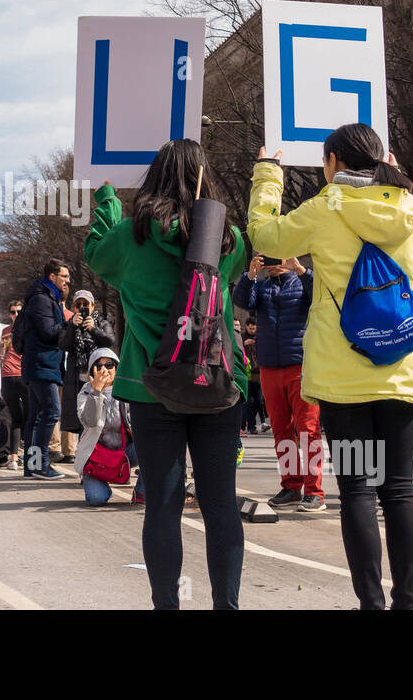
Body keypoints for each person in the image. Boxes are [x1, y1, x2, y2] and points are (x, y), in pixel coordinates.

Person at [250, 126, 413, 610]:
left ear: (332, 162)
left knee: (357, 491)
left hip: (344, 380)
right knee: (400, 491)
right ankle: (407, 604)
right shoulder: (412, 210)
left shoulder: (324, 208)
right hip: (402, 369)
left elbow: (265, 236)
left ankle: (370, 603)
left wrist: (269, 176)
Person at [85, 138, 248, 610]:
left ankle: (166, 605)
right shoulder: (226, 238)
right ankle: (227, 605)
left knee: (162, 504)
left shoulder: (130, 237)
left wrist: (108, 201)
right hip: (218, 383)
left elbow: (95, 253)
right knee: (221, 504)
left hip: (151, 386)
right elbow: (232, 272)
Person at [231, 252, 323, 511]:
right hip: (269, 367)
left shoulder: (301, 281)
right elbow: (240, 300)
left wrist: (302, 270)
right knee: (281, 430)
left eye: (276, 258)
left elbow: (322, 296)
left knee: (308, 429)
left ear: (289, 257)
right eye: (266, 259)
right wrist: (249, 276)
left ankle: (314, 490)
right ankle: (291, 486)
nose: (270, 265)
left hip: (301, 365)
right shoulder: (260, 286)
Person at [74, 348, 144, 506]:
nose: (104, 370)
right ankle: (96, 483)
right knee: (96, 499)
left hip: (126, 452)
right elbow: (90, 421)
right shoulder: (85, 393)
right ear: (92, 370)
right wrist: (97, 393)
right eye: (98, 366)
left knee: (151, 445)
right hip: (98, 456)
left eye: (109, 365)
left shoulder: (127, 389)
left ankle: (141, 491)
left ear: (117, 368)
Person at [20, 259, 70, 479]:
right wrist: (70, 324)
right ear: (53, 277)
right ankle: (41, 465)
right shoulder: (42, 299)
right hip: (42, 363)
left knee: (36, 416)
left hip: (40, 363)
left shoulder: (46, 297)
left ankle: (32, 467)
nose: (68, 280)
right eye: (65, 276)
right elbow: (48, 332)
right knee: (51, 413)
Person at [57, 288, 115, 465]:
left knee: (100, 421)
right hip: (78, 379)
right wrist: (73, 326)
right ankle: (88, 464)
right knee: (84, 421)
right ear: (74, 307)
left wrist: (94, 329)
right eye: (78, 304)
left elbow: (110, 341)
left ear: (92, 305)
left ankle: (104, 460)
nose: (82, 307)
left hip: (100, 379)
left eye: (85, 304)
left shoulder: (102, 322)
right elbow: (64, 345)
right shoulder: (69, 325)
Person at [0, 299, 27, 470]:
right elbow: (0, 356)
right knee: (17, 418)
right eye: (12, 311)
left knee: (23, 417)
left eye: (18, 311)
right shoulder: (5, 331)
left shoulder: (26, 329)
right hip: (10, 376)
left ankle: (18, 457)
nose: (15, 314)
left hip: (22, 376)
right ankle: (15, 458)